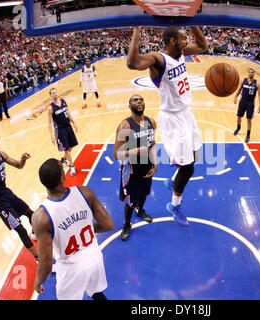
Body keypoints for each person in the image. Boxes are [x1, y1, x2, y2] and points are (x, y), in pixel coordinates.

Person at [127, 26, 208, 227]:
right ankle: (175, 206)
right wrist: (137, 31)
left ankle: (172, 181)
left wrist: (193, 23)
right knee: (188, 168)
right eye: (183, 38)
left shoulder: (181, 52)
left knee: (195, 154)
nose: (186, 41)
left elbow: (203, 46)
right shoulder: (158, 59)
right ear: (172, 40)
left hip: (186, 112)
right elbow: (132, 63)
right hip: (172, 119)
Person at [32, 158, 114, 300]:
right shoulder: (85, 193)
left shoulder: (41, 217)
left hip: (71, 269)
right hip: (94, 257)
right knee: (97, 293)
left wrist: (38, 282)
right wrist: (83, 227)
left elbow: (46, 262)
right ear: (63, 177)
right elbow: (108, 225)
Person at [113, 94, 157, 241]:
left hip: (148, 166)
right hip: (132, 170)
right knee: (131, 200)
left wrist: (155, 164)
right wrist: (137, 151)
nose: (139, 101)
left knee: (144, 193)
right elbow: (116, 154)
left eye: (141, 99)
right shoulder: (125, 126)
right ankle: (127, 223)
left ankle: (141, 210)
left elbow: (153, 144)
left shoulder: (152, 122)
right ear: (129, 105)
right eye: (135, 100)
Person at [47, 87, 79, 176]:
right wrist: (52, 136)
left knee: (72, 146)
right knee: (67, 148)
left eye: (55, 92)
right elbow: (49, 123)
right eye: (52, 93)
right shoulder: (50, 108)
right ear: (50, 95)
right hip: (60, 130)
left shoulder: (63, 101)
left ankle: (64, 159)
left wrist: (74, 123)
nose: (55, 94)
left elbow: (68, 113)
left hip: (68, 126)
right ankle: (72, 166)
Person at [233, 68, 260, 142]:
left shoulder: (257, 84)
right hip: (242, 101)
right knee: (239, 116)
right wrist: (235, 97)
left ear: (254, 73)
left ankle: (248, 135)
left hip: (250, 103)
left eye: (252, 72)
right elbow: (239, 90)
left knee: (249, 119)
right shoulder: (243, 81)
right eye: (249, 72)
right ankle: (238, 127)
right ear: (248, 73)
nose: (250, 73)